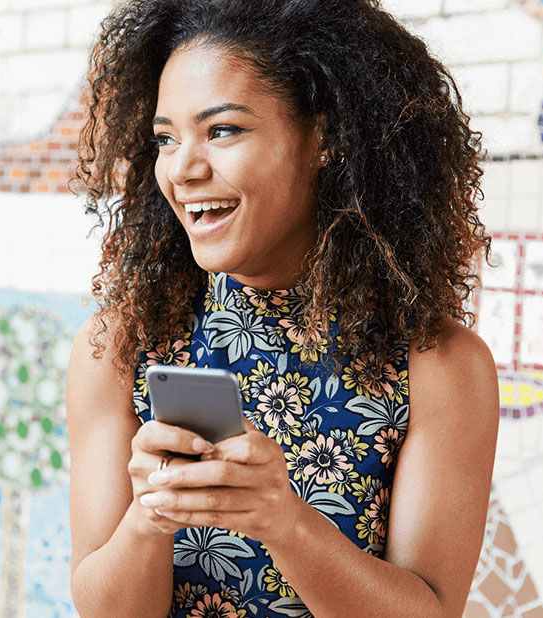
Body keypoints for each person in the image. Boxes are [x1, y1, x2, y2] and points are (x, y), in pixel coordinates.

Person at [66, 1, 499, 617]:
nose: (184, 168)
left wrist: (284, 521)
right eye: (166, 139)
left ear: (324, 138)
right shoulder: (120, 345)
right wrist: (149, 515)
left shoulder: (440, 367)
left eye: (222, 130)